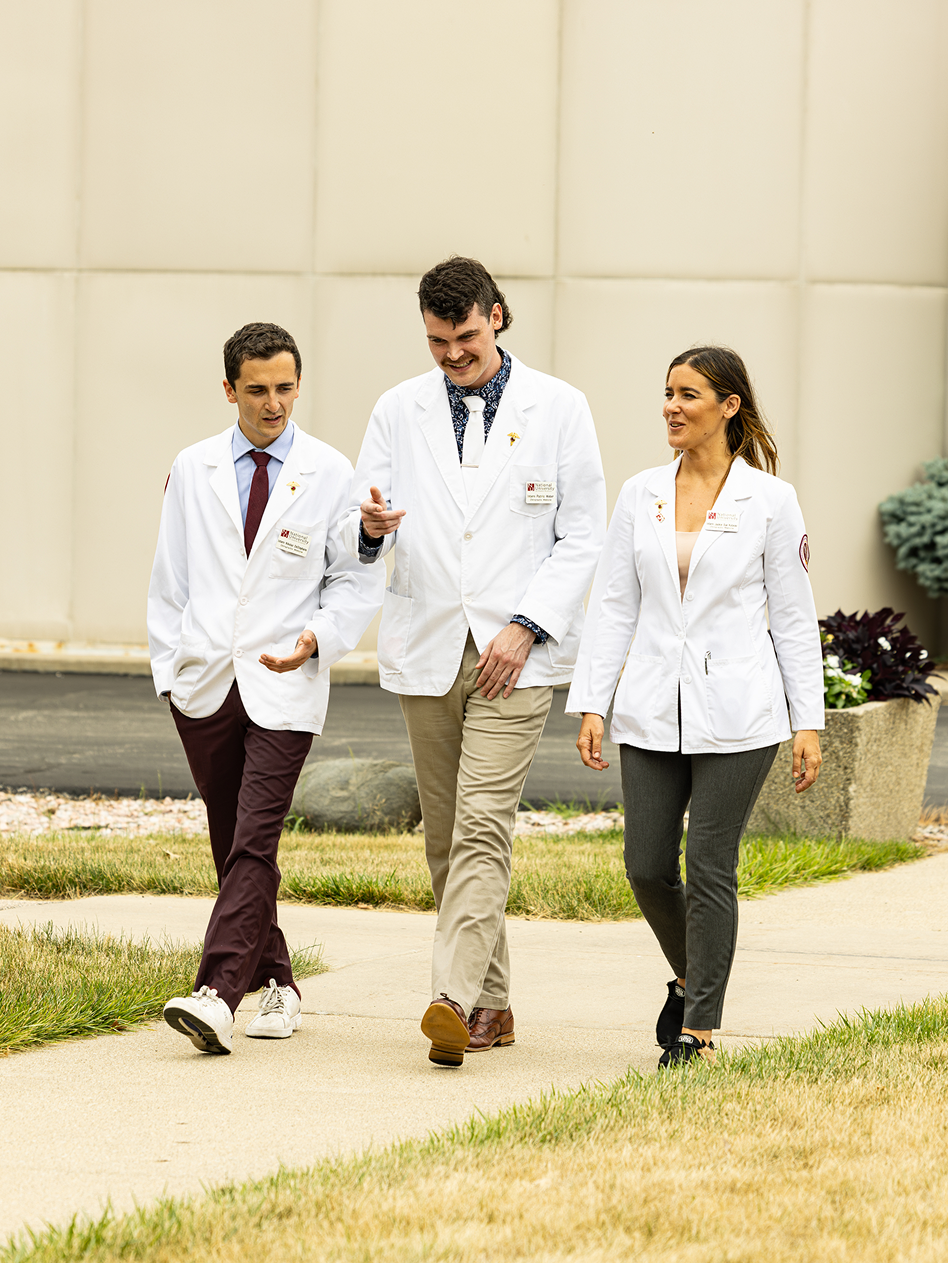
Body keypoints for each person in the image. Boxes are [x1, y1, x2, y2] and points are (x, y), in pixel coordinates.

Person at [342, 257, 606, 1066]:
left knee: (484, 826)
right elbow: (360, 517)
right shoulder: (398, 408)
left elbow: (583, 535)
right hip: (428, 643)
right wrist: (371, 526)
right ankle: (491, 1005)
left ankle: (448, 996)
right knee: (446, 837)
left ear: (497, 317)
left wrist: (527, 625)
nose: (451, 355)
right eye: (436, 341)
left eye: (465, 337)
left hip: (513, 653)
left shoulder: (559, 408)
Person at [566, 346, 823, 1069]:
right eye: (668, 393)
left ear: (729, 406)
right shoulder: (639, 493)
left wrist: (809, 721)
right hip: (650, 706)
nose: (672, 407)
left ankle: (699, 1029)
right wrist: (593, 702)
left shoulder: (771, 501)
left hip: (741, 712)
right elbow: (614, 604)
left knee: (710, 864)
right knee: (647, 866)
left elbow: (795, 618)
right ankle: (690, 977)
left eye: (689, 395)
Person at [148, 322, 384, 1055]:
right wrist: (170, 670)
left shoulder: (329, 469)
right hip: (206, 682)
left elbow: (354, 571)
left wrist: (320, 637)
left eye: (285, 387)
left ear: (298, 385)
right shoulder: (193, 468)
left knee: (254, 839)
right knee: (232, 844)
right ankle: (278, 981)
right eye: (257, 390)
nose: (274, 403)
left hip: (286, 680)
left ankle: (217, 993)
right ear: (230, 391)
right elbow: (171, 578)